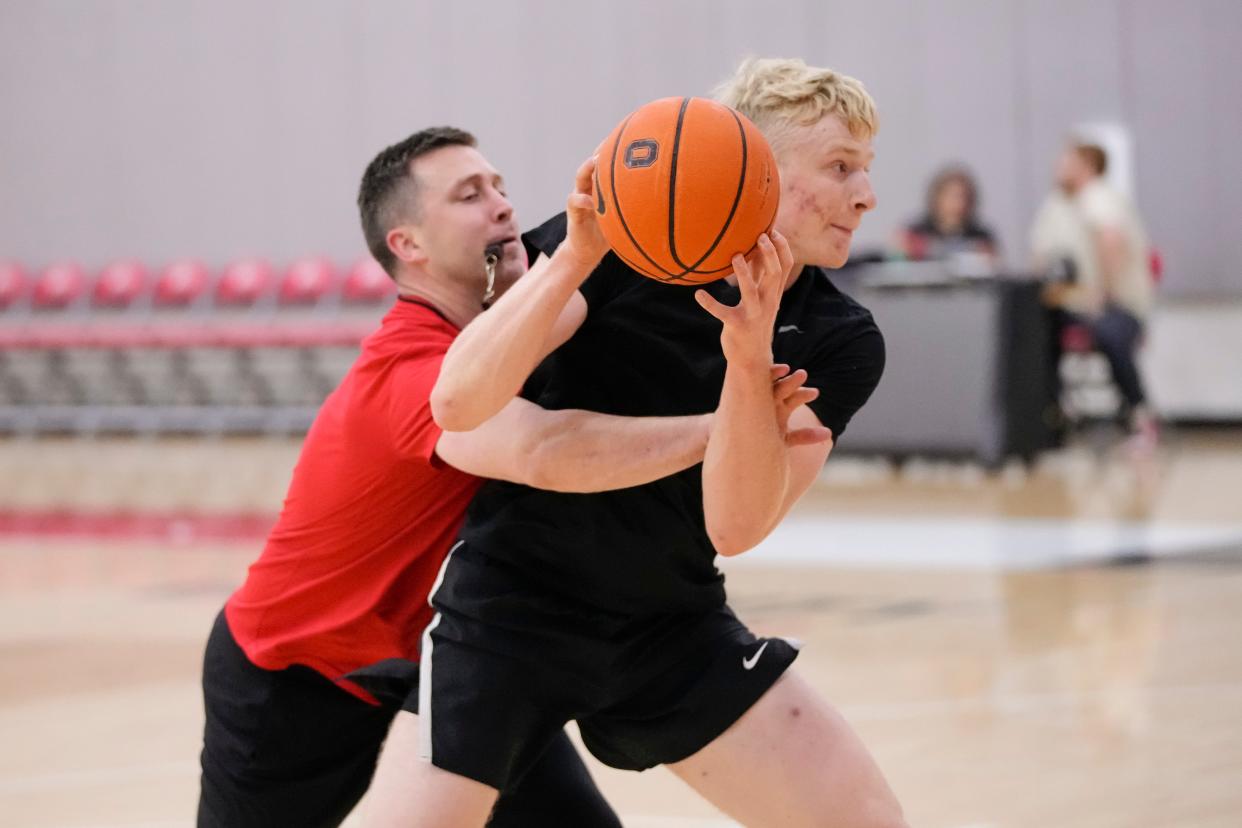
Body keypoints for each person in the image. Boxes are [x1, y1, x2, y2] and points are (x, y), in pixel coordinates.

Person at [197, 126, 818, 827]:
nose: (501, 205)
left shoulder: (519, 330)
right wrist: (735, 427)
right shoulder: (413, 371)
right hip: (297, 680)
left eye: (499, 186)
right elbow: (545, 451)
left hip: (447, 664)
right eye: (469, 195)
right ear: (409, 245)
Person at [363, 58, 907, 828]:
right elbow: (457, 403)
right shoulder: (619, 250)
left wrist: (748, 362)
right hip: (510, 609)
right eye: (841, 166)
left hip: (669, 624)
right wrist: (579, 254)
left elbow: (736, 525)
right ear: (751, 167)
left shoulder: (838, 337)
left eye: (866, 168)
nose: (866, 194)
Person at [1031, 141, 1156, 442]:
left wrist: (1105, 293)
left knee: (1110, 331)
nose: (1057, 168)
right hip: (1074, 307)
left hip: (1118, 305)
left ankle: (1139, 413)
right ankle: (1054, 411)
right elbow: (1039, 255)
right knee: (1034, 331)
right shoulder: (1057, 204)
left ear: (1087, 166)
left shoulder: (1100, 198)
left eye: (1066, 162)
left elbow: (1110, 243)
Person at [896, 164, 997, 264]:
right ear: (937, 198)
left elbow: (994, 267)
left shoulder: (981, 237)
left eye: (964, 197)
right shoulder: (917, 231)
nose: (959, 204)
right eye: (953, 196)